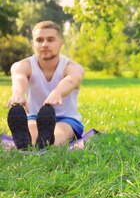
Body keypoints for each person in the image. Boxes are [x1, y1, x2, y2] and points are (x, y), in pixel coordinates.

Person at [5, 20, 85, 150]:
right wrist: (18, 93)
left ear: (61, 42)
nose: (44, 44)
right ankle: (28, 142)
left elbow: (71, 80)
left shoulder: (72, 67)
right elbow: (19, 77)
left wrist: (58, 91)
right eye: (39, 40)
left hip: (66, 119)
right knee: (31, 128)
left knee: (61, 131)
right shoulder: (23, 65)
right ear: (33, 44)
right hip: (34, 116)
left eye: (50, 40)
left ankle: (47, 142)